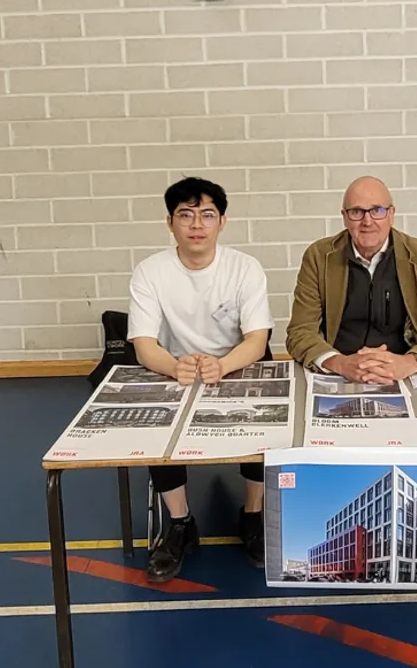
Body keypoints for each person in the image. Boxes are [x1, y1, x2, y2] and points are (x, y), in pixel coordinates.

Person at [126, 176, 273, 582]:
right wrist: (174, 366)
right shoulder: (150, 272)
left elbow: (257, 339)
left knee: (264, 417)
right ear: (170, 222)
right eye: (185, 215)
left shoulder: (245, 267)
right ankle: (180, 523)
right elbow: (144, 344)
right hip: (175, 367)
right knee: (156, 426)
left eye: (207, 215)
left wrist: (223, 365)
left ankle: (253, 513)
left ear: (222, 222)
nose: (196, 224)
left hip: (235, 363)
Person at [285, 176, 417, 381]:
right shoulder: (318, 257)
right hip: (339, 373)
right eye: (356, 212)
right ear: (344, 217)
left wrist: (408, 363)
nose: (367, 221)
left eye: (377, 210)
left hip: (404, 373)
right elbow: (300, 332)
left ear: (391, 214)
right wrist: (340, 363)